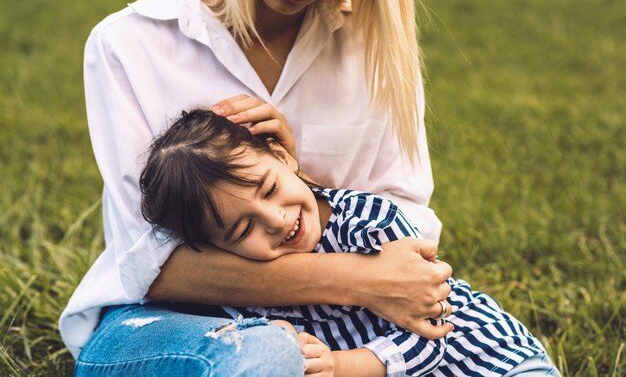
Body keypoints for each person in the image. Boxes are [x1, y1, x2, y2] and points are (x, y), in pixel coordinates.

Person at [60, 0, 558, 375]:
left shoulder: (375, 48)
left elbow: (410, 239)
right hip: (172, 322)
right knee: (273, 355)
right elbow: (154, 266)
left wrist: (306, 178)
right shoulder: (130, 43)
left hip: (349, 333)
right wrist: (362, 281)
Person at [138, 108, 553, 376]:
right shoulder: (247, 287)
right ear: (218, 249)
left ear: (283, 158)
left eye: (269, 189)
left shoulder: (368, 222)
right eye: (243, 230)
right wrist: (284, 340)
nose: (277, 220)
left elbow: (434, 335)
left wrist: (340, 364)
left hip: (490, 362)